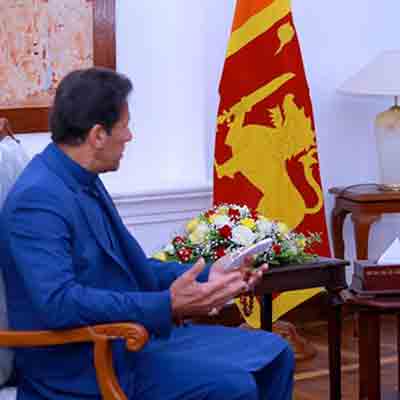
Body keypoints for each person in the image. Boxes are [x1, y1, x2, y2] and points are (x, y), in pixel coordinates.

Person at [0, 68, 294, 400]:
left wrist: (214, 273)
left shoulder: (83, 179)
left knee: (275, 353)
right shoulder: (38, 199)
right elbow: (59, 303)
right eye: (124, 126)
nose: (129, 136)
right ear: (98, 135)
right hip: (82, 361)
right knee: (232, 386)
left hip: (128, 341)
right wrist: (167, 305)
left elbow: (135, 267)